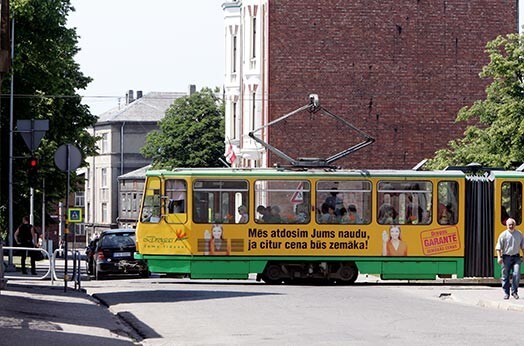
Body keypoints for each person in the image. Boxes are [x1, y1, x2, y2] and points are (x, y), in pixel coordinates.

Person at [495, 218, 524, 300]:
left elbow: (523, 246)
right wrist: (499, 257)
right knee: (505, 276)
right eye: (509, 225)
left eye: (512, 224)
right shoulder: (503, 235)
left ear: (515, 225)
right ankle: (506, 293)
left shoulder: (519, 234)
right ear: (506, 225)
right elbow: (498, 248)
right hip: (506, 257)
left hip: (516, 257)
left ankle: (514, 291)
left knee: (517, 274)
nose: (511, 226)